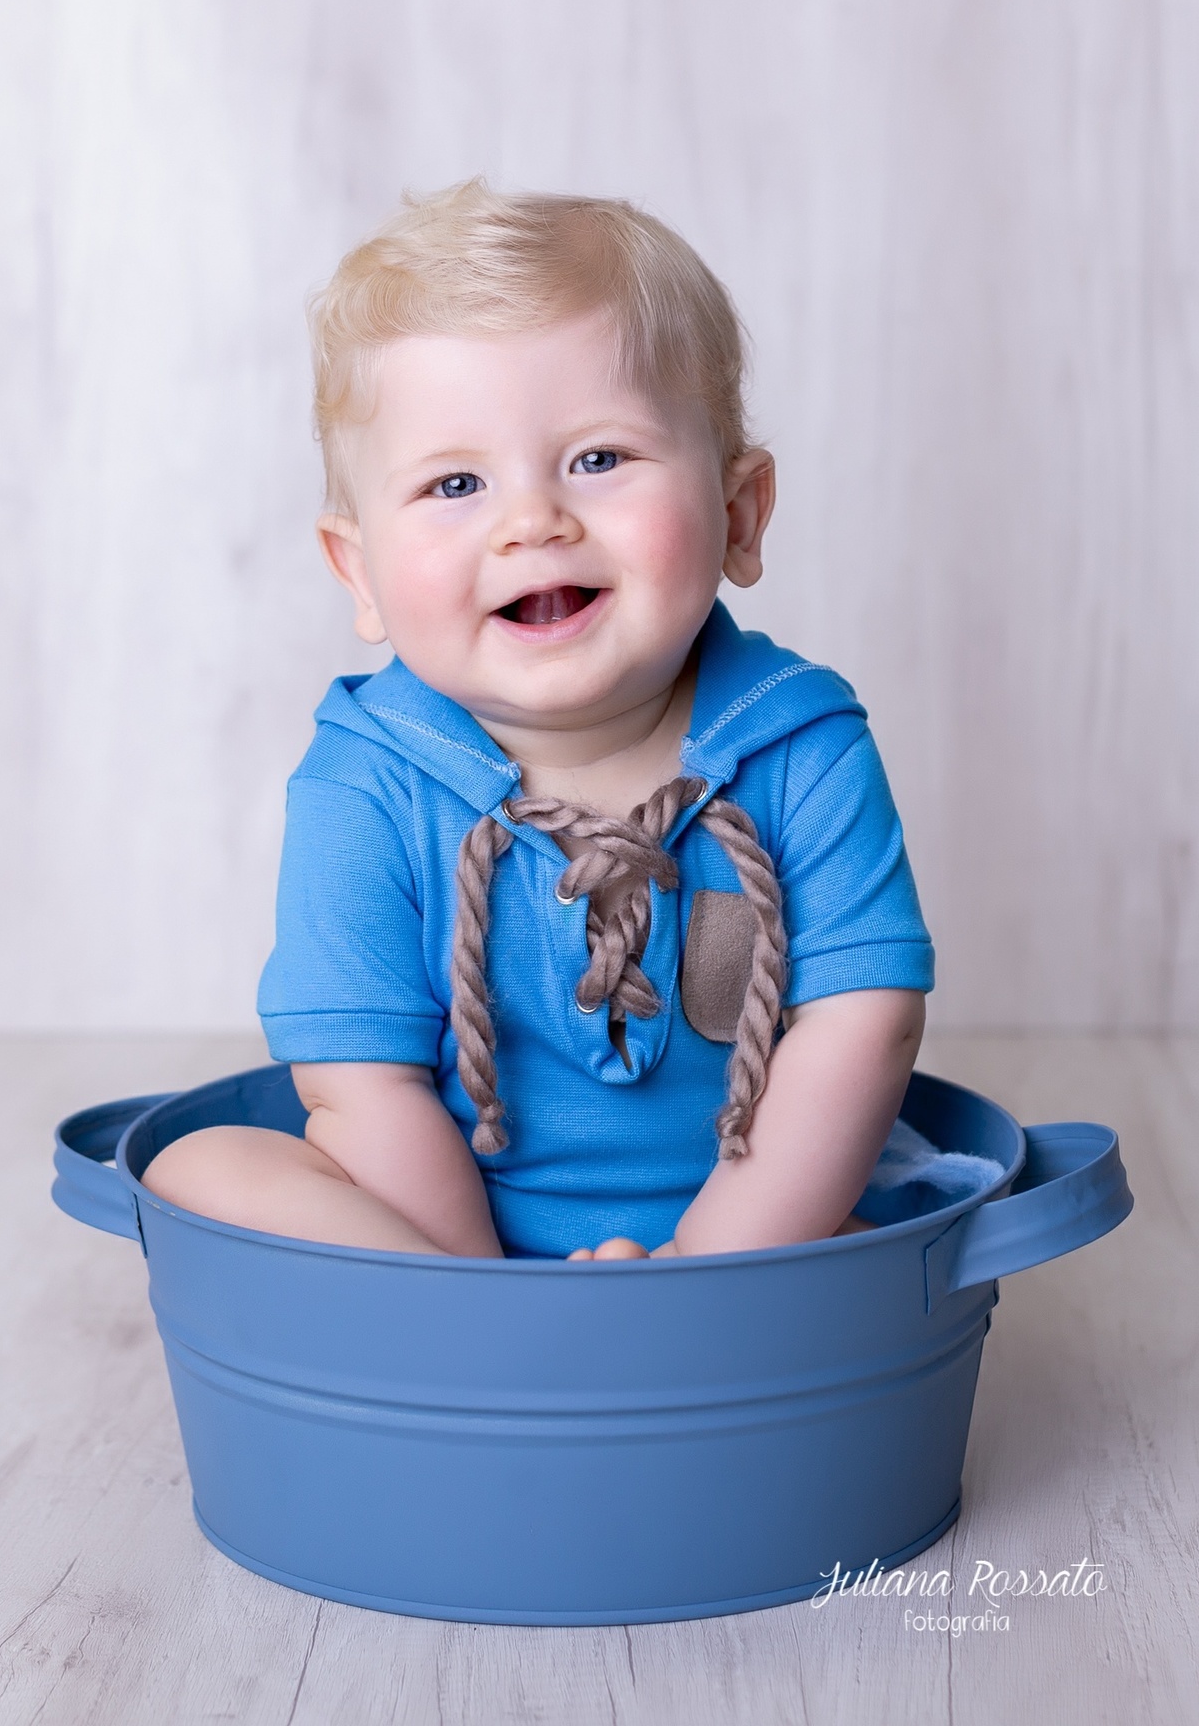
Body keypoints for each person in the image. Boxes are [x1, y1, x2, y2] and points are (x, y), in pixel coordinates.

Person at [143, 181, 933, 1262]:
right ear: (360, 571)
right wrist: (493, 1303)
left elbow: (863, 1026)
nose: (532, 521)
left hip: (753, 1226)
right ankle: (460, 1333)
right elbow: (362, 1086)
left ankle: (707, 1315)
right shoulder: (366, 783)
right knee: (198, 1168)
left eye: (599, 460)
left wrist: (703, 1270)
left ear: (740, 516)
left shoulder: (799, 746)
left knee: (884, 1237)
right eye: (456, 482)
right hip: (447, 1237)